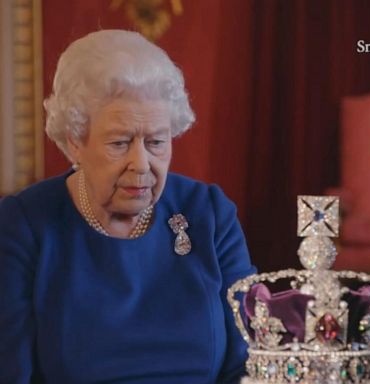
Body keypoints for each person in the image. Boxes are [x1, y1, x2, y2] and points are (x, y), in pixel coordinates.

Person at [0, 30, 255, 384]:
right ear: (75, 142)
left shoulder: (208, 214)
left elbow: (251, 360)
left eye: (156, 142)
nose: (141, 163)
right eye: (120, 143)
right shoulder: (24, 224)